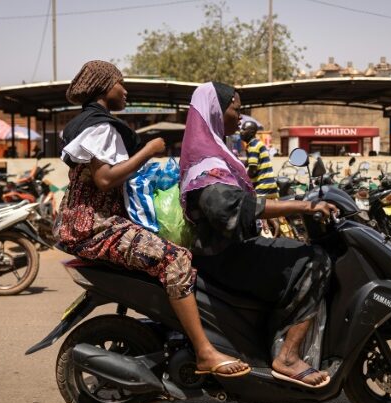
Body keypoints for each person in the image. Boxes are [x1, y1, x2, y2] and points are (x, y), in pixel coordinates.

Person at [53, 61, 249, 378]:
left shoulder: (85, 123)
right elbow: (105, 180)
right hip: (97, 226)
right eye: (120, 83)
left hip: (84, 221)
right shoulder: (101, 127)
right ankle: (204, 352)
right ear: (105, 87)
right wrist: (148, 150)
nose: (125, 89)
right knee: (176, 259)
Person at [180, 82, 337, 388]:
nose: (240, 116)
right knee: (314, 259)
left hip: (226, 249)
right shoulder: (206, 160)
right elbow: (234, 208)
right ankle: (288, 357)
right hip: (224, 256)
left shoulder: (214, 149)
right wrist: (303, 206)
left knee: (293, 250)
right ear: (216, 110)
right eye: (236, 108)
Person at [240, 121, 282, 236]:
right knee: (265, 211)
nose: (241, 132)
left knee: (256, 208)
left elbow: (253, 171)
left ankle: (271, 235)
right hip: (269, 185)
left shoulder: (253, 146)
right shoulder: (257, 143)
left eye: (244, 129)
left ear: (252, 132)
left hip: (262, 185)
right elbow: (249, 163)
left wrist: (242, 179)